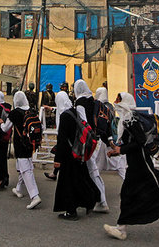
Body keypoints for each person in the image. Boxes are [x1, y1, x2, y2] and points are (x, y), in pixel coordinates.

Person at [104, 92, 159, 241]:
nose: (115, 102)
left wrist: (122, 150)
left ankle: (121, 229)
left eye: (118, 100)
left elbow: (139, 141)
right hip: (136, 163)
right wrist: (118, 152)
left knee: (154, 191)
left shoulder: (131, 120)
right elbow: (132, 142)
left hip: (141, 163)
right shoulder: (127, 118)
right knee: (150, 191)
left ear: (124, 102)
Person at [52, 91, 100, 220]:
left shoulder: (64, 116)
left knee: (67, 184)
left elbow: (62, 139)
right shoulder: (73, 111)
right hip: (77, 151)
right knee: (80, 179)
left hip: (69, 154)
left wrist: (58, 160)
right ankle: (92, 198)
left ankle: (70, 211)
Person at [0, 91, 42, 209]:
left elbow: (6, 128)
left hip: (20, 143)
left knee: (26, 169)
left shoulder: (14, 113)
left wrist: (1, 122)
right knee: (26, 164)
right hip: (30, 143)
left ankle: (35, 196)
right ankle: (18, 189)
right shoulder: (31, 111)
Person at [74, 79, 109, 213]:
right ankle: (98, 199)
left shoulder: (80, 102)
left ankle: (101, 201)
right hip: (97, 138)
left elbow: (82, 121)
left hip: (88, 139)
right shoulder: (93, 101)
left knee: (92, 169)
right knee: (92, 169)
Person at [94, 87, 126, 179]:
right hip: (110, 135)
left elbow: (103, 122)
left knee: (99, 163)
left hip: (105, 136)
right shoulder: (110, 105)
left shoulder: (101, 107)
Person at [44, 88, 73, 181]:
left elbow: (63, 136)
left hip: (66, 141)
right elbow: (57, 111)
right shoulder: (70, 110)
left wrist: (57, 158)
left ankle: (56, 173)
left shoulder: (65, 115)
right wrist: (50, 108)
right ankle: (55, 173)